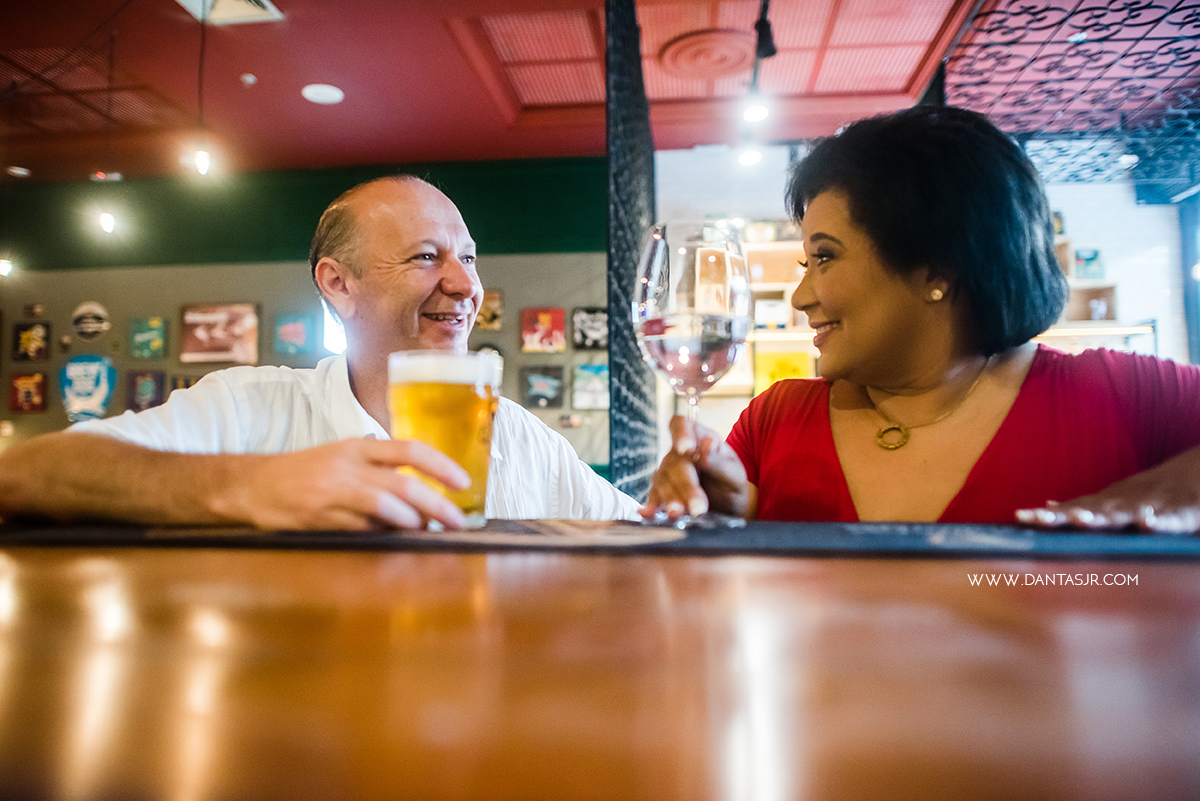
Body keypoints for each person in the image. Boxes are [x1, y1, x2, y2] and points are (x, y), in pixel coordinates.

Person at [643, 106, 1200, 534]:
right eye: (803, 263)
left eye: (825, 257)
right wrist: (742, 518)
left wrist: (1172, 489)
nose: (800, 296)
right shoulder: (773, 423)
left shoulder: (1122, 398)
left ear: (938, 267)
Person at [0, 176, 640, 529]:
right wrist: (248, 485)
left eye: (468, 258)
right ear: (338, 283)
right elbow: (24, 475)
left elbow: (638, 531)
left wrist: (698, 506)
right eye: (426, 256)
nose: (466, 285)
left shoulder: (521, 437)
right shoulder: (252, 408)